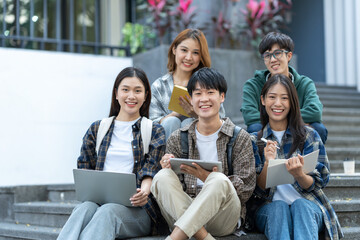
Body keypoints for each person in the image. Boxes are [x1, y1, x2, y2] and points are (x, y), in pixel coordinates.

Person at [57, 67, 166, 240]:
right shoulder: (97, 129)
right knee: (84, 208)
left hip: (138, 211)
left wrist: (144, 193)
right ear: (116, 93)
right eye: (125, 90)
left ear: (145, 96)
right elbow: (85, 171)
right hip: (98, 205)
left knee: (108, 211)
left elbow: (151, 169)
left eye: (138, 91)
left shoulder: (154, 131)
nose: (131, 96)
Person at [151, 68, 256, 240]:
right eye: (198, 93)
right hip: (183, 211)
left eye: (210, 92)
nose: (204, 99)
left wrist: (207, 178)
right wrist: (168, 167)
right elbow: (171, 190)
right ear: (191, 100)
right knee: (162, 176)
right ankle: (203, 236)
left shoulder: (239, 137)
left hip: (222, 216)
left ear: (222, 97)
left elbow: (246, 188)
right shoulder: (178, 137)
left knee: (218, 179)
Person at [249, 74, 343, 240]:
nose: (278, 103)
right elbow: (257, 191)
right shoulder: (254, 140)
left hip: (308, 205)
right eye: (272, 97)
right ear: (263, 100)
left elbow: (320, 181)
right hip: (269, 208)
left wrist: (299, 174)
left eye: (284, 98)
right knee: (279, 208)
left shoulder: (309, 136)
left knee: (301, 206)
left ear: (292, 102)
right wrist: (267, 164)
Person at [240, 32, 328, 144]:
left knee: (319, 128)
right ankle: (264, 161)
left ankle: (308, 161)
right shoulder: (253, 85)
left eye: (277, 53)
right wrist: (287, 120)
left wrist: (280, 118)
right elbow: (250, 116)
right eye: (267, 55)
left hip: (295, 130)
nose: (272, 60)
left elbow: (315, 112)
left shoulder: (305, 83)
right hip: (270, 130)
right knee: (255, 128)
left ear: (289, 56)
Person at [150, 28, 225, 140]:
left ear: (201, 57)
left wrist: (196, 113)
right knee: (171, 121)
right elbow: (151, 123)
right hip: (165, 146)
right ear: (174, 50)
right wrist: (175, 114)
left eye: (195, 53)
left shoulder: (209, 84)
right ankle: (170, 157)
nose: (189, 57)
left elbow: (221, 120)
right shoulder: (159, 86)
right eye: (184, 50)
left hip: (201, 143)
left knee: (190, 122)